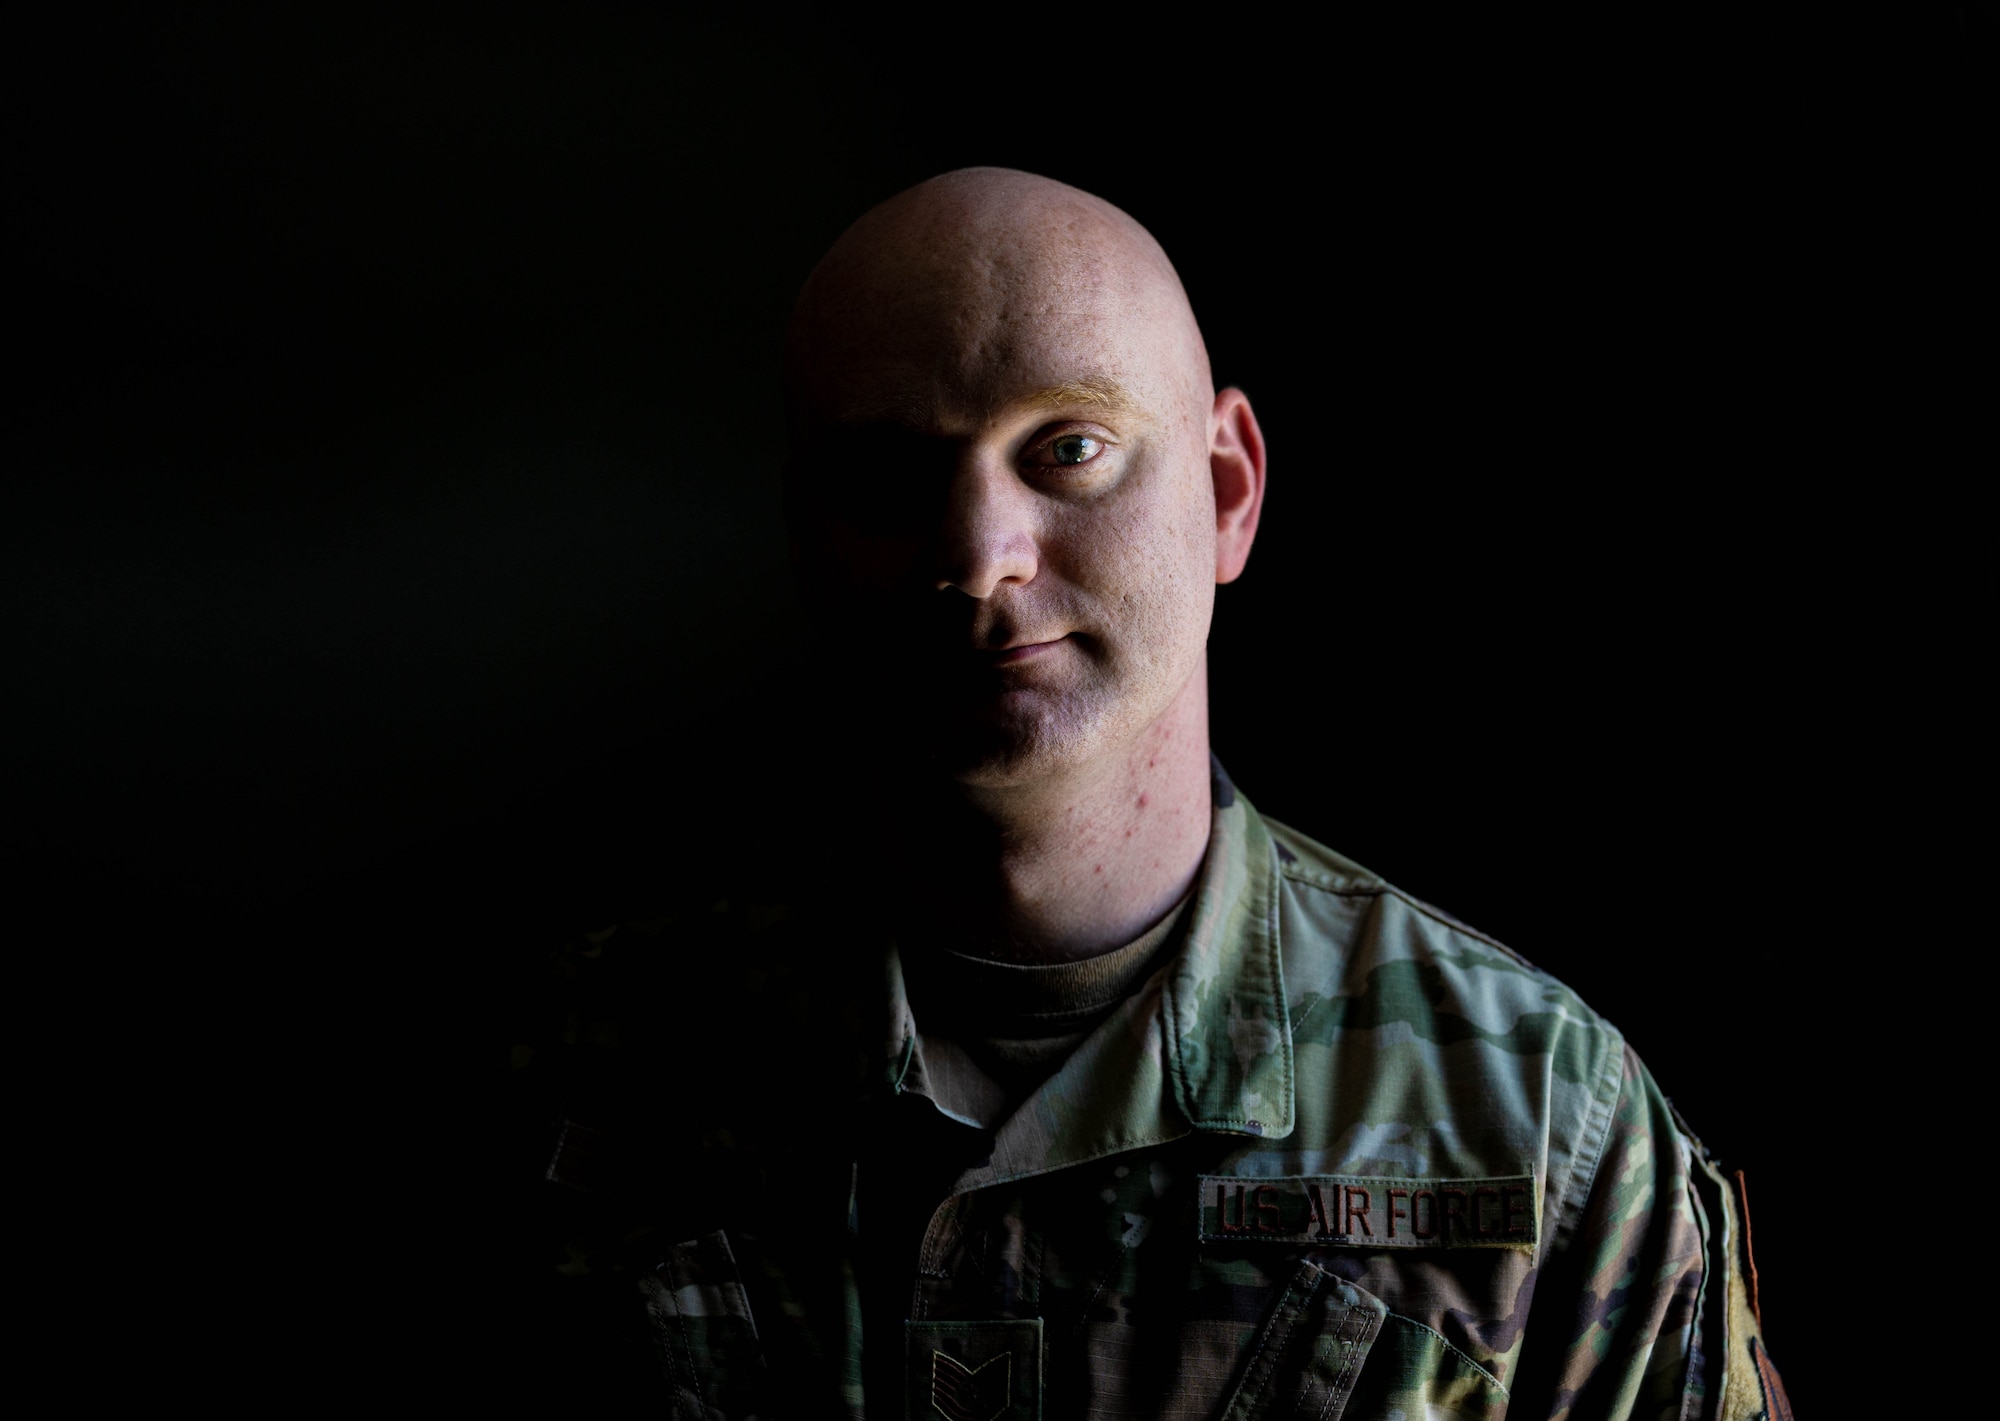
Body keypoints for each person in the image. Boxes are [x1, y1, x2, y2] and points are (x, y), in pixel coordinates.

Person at [497, 168, 1790, 1419]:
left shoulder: (1541, 1129)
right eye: (892, 473)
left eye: (1069, 448)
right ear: (804, 531)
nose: (980, 554)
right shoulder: (558, 1088)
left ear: (1228, 490)